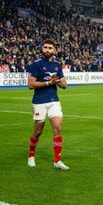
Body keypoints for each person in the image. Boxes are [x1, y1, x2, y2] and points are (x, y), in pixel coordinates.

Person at [27, 39, 69, 170]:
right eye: (45, 47)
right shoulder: (36, 64)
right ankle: (31, 156)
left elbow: (64, 85)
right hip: (39, 102)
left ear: (54, 50)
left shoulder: (57, 65)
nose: (47, 50)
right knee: (38, 132)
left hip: (54, 101)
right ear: (42, 49)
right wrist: (47, 83)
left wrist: (56, 81)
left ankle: (57, 161)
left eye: (50, 48)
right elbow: (30, 84)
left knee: (58, 128)